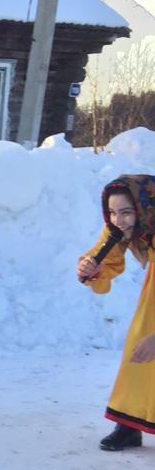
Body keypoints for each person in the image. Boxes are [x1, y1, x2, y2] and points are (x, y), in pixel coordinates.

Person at [76, 174, 155, 451]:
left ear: (144, 209)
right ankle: (129, 425)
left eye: (126, 212)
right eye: (112, 212)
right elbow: (104, 256)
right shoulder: (121, 227)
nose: (118, 220)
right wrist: (91, 268)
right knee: (139, 350)